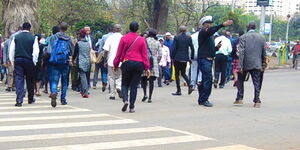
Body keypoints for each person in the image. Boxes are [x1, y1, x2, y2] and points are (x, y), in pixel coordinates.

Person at [114, 21, 150, 113]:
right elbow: (145, 55)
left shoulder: (124, 38)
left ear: (129, 28)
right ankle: (132, 107)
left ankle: (125, 100)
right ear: (137, 29)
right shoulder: (142, 39)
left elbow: (118, 53)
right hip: (139, 64)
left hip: (127, 62)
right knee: (134, 86)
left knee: (125, 83)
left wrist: (116, 64)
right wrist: (147, 67)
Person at [197, 16, 233, 107]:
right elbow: (210, 31)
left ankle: (202, 98)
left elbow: (208, 48)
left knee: (206, 79)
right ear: (203, 25)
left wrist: (216, 48)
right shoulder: (204, 32)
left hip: (208, 58)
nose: (210, 25)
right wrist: (222, 25)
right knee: (208, 79)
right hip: (204, 59)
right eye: (208, 23)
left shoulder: (209, 36)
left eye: (211, 23)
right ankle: (204, 99)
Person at [234, 22, 267, 108]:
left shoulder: (243, 37)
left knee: (240, 80)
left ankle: (240, 98)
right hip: (257, 63)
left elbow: (241, 52)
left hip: (245, 63)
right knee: (257, 82)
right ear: (255, 27)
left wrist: (240, 65)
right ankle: (257, 101)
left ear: (247, 27)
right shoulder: (261, 37)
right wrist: (264, 62)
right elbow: (264, 52)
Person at [9, 22, 40, 107]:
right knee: (30, 80)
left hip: (18, 60)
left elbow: (12, 50)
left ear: (22, 28)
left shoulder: (16, 37)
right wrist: (34, 61)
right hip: (29, 60)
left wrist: (12, 61)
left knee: (19, 80)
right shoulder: (33, 38)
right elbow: (36, 52)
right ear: (30, 28)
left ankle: (19, 100)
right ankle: (30, 98)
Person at [47, 22, 74, 107]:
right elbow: (72, 51)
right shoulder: (68, 38)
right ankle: (63, 99)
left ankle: (54, 92)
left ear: (59, 28)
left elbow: (49, 51)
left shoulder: (53, 37)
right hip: (65, 62)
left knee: (54, 79)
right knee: (64, 80)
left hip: (54, 62)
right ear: (66, 29)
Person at [171, 26, 194, 96]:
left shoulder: (176, 37)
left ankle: (178, 90)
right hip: (185, 58)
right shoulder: (189, 37)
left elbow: (174, 48)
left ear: (179, 30)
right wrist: (191, 58)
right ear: (186, 30)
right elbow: (192, 48)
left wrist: (172, 57)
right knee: (183, 73)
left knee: (177, 74)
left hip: (177, 58)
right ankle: (190, 85)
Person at [103, 24, 123, 100]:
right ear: (120, 29)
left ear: (114, 30)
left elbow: (106, 51)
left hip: (111, 61)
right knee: (120, 76)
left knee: (111, 77)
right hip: (121, 61)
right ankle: (118, 86)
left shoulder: (110, 38)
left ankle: (112, 94)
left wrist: (105, 61)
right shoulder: (123, 38)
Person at [141, 29, 162, 103]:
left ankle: (145, 94)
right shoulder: (157, 43)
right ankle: (150, 97)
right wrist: (157, 61)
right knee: (151, 81)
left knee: (143, 78)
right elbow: (160, 54)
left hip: (144, 61)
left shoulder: (144, 41)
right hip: (154, 62)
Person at [93, 26, 113, 91]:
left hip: (105, 55)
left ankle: (104, 82)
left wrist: (99, 54)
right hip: (114, 55)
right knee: (112, 72)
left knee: (104, 70)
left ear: (108, 30)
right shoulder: (116, 37)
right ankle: (111, 85)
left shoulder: (104, 37)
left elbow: (101, 47)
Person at [73, 29, 91, 98]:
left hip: (81, 62)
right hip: (87, 61)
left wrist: (73, 60)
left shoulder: (78, 43)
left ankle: (85, 92)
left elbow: (75, 53)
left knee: (82, 76)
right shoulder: (88, 43)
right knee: (85, 76)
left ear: (80, 35)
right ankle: (83, 90)